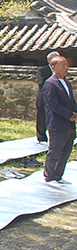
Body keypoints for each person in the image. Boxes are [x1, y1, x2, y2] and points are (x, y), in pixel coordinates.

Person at [42, 56, 77, 185]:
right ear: (53, 67)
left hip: (69, 124)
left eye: (66, 65)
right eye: (63, 65)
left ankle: (58, 175)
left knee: (66, 151)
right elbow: (53, 105)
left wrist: (75, 112)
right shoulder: (50, 83)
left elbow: (70, 101)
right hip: (57, 123)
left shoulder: (66, 83)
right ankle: (49, 176)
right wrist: (69, 115)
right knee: (55, 151)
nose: (66, 68)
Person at [36, 51, 59, 143]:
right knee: (42, 117)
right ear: (49, 60)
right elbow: (41, 83)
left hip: (56, 98)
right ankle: (41, 137)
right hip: (44, 97)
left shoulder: (60, 71)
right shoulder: (43, 70)